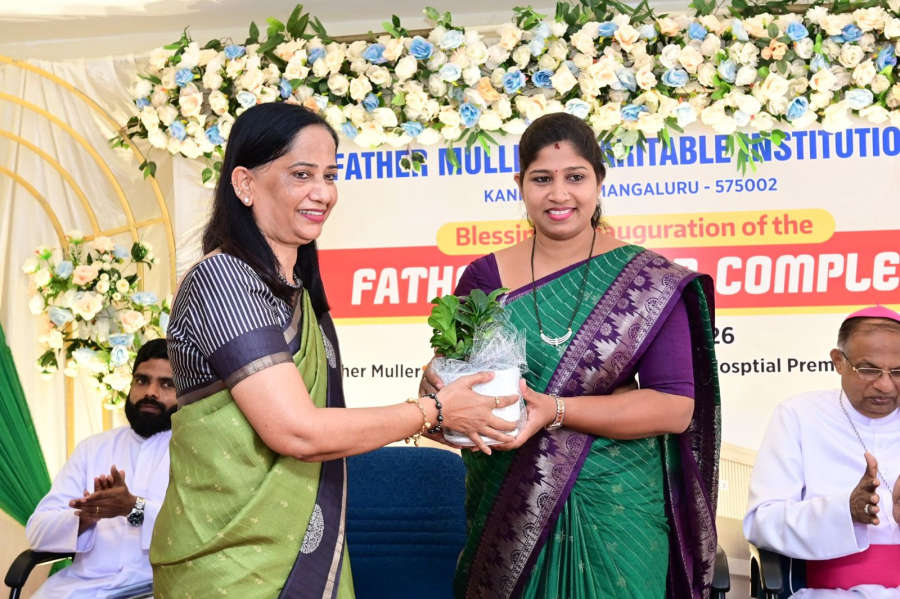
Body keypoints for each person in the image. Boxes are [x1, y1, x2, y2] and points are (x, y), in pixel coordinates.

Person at [150, 103, 519, 598]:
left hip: (299, 549)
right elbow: (296, 430)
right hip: (229, 565)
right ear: (244, 183)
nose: (323, 193)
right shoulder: (223, 279)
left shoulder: (298, 291)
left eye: (330, 175)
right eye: (301, 174)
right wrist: (432, 411)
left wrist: (431, 402)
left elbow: (321, 421)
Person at [420, 112, 721, 599]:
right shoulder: (483, 277)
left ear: (599, 182)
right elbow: (453, 376)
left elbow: (673, 406)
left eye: (575, 177)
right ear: (520, 185)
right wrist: (435, 391)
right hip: (507, 497)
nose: (559, 194)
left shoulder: (649, 280)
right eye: (542, 179)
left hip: (617, 507)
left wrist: (555, 410)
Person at [744, 305, 900, 598]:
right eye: (869, 370)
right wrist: (845, 512)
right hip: (826, 592)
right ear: (838, 361)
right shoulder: (799, 415)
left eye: (898, 372)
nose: (885, 385)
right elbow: (762, 521)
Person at [25, 339, 175, 598]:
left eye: (166, 384)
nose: (151, 392)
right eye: (142, 381)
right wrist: (85, 517)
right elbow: (37, 532)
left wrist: (134, 507)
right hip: (81, 588)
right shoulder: (93, 448)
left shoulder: (192, 451)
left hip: (157, 590)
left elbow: (199, 531)